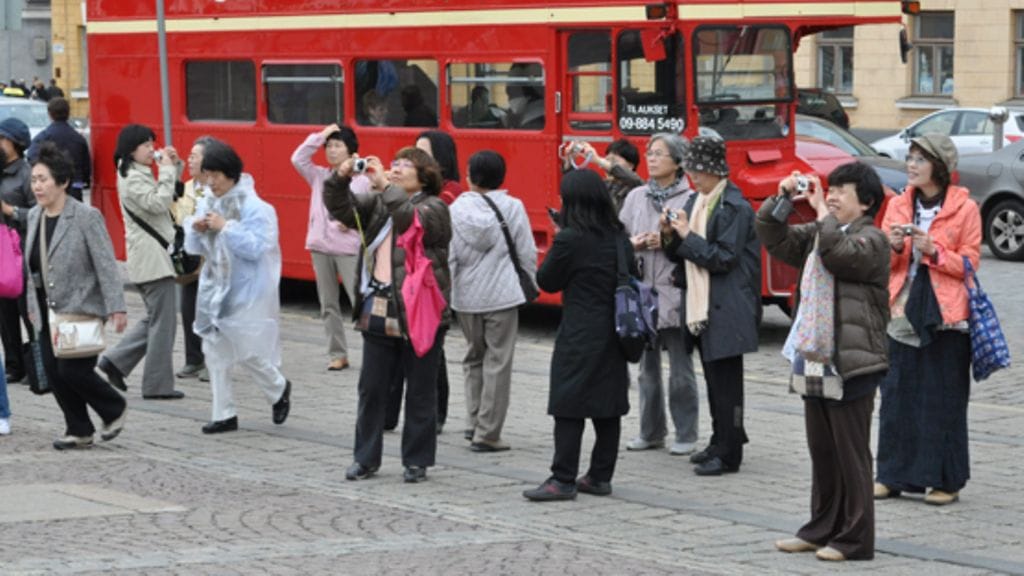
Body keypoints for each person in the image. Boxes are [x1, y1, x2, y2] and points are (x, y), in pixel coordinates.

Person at [757, 163, 890, 562]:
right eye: (829, 190)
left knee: (851, 453)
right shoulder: (823, 230)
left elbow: (838, 255)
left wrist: (820, 215)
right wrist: (782, 198)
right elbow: (773, 236)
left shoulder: (873, 240)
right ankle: (820, 529)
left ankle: (855, 539)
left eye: (841, 192)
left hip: (853, 361)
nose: (831, 197)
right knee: (823, 451)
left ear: (865, 202)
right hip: (815, 354)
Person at [323, 147, 451, 484]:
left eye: (406, 165)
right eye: (395, 163)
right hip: (379, 304)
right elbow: (341, 209)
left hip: (420, 311)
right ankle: (365, 458)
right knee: (371, 388)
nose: (396, 169)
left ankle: (417, 460)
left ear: (424, 176)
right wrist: (340, 178)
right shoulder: (380, 202)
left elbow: (411, 220)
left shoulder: (435, 207)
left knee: (420, 389)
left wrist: (384, 186)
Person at [875, 134, 982, 506]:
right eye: (910, 157)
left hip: (947, 315)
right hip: (901, 309)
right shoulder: (898, 204)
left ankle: (946, 480)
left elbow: (970, 263)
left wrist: (935, 252)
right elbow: (884, 262)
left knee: (942, 398)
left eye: (920, 159)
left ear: (939, 166)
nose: (911, 165)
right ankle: (891, 475)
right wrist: (894, 245)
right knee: (896, 394)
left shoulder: (965, 208)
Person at [522, 169, 632, 501]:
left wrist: (559, 236)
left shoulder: (571, 238)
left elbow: (547, 280)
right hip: (615, 330)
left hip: (580, 331)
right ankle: (600, 476)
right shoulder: (618, 236)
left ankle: (563, 478)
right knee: (607, 406)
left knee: (568, 403)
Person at [661, 136, 760, 476]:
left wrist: (687, 236)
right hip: (702, 305)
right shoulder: (697, 201)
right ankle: (719, 441)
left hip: (728, 306)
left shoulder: (734, 207)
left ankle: (730, 453)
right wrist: (669, 234)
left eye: (698, 171)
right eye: (690, 170)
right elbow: (680, 254)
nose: (692, 177)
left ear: (715, 170)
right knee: (714, 381)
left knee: (728, 385)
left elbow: (723, 258)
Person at [23, 143, 128, 449]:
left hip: (80, 305)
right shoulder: (34, 216)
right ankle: (78, 428)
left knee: (73, 369)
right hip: (45, 308)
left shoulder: (85, 216)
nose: (37, 186)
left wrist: (117, 306)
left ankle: (114, 407)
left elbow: (106, 264)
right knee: (54, 372)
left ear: (63, 181)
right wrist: (30, 304)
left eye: (43, 179)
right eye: (34, 180)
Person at [184, 139, 292, 434]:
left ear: (230, 174)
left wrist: (226, 227)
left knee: (246, 348)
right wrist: (195, 229)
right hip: (214, 289)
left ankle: (278, 387)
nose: (211, 182)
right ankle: (223, 414)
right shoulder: (208, 202)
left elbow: (258, 248)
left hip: (247, 290)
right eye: (207, 175)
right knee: (214, 350)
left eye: (216, 176)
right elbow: (196, 248)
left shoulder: (257, 208)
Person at [449, 150, 536, 452]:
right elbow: (526, 251)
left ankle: (473, 422)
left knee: (473, 357)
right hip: (502, 295)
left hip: (466, 297)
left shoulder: (456, 209)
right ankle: (488, 433)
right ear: (501, 177)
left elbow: (449, 255)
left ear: (469, 176)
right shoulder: (513, 207)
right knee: (498, 362)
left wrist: (448, 294)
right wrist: (531, 282)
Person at [619, 133, 700, 457]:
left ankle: (686, 433)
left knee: (681, 370)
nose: (651, 159)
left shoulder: (690, 198)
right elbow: (620, 238)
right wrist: (634, 243)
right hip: (642, 293)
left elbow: (696, 243)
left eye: (659, 154)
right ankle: (650, 432)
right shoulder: (636, 196)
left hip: (675, 291)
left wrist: (666, 241)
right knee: (646, 370)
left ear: (677, 162)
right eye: (649, 153)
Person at [97, 125, 183, 400]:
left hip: (152, 258)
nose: (151, 150)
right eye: (145, 145)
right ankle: (157, 386)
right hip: (151, 261)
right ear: (130, 150)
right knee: (163, 323)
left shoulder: (137, 173)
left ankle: (115, 362)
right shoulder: (132, 178)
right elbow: (158, 204)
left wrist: (173, 167)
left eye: (151, 144)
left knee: (156, 318)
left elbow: (171, 194)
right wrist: (167, 171)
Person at [291, 124, 370, 372]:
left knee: (360, 302)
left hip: (348, 248)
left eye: (338, 146)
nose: (332, 150)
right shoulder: (319, 176)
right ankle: (337, 354)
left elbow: (366, 209)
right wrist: (321, 135)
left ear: (351, 151)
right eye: (329, 146)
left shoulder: (361, 180)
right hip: (320, 246)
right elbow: (298, 158)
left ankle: (374, 353)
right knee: (328, 304)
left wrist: (352, 222)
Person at [172, 135, 214, 381]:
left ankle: (214, 360)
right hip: (190, 260)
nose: (189, 160)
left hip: (213, 260)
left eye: (194, 156)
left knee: (212, 310)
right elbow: (175, 218)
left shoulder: (217, 189)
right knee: (189, 309)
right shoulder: (185, 189)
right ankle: (193, 359)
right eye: (189, 156)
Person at [0, 117, 33, 384]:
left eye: (2, 138)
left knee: (27, 311)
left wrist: (10, 210)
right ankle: (14, 364)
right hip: (1, 252)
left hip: (21, 251)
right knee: (4, 313)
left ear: (16, 143)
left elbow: (40, 213)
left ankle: (35, 364)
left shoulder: (28, 174)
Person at [27, 97, 92, 201]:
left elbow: (31, 158)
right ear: (68, 113)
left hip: (51, 188)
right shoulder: (78, 139)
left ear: (49, 114)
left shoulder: (43, 137)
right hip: (75, 187)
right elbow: (86, 167)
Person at [580, 139, 642, 214]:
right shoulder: (602, 186)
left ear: (630, 166)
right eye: (607, 160)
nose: (607, 166)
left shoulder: (637, 187)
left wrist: (598, 160)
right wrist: (570, 160)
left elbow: (634, 179)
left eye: (614, 161)